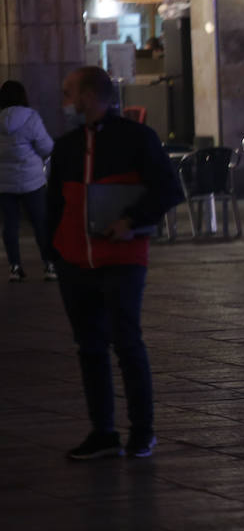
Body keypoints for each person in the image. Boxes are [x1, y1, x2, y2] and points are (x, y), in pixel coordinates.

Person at [48, 66, 183, 460]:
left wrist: (133, 220)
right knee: (89, 346)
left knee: (126, 343)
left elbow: (167, 189)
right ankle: (103, 431)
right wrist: (55, 248)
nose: (64, 100)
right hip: (75, 261)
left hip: (122, 258)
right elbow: (56, 201)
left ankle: (142, 431)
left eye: (68, 92)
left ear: (88, 97)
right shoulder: (68, 145)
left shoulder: (135, 138)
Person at [0, 80, 56, 281]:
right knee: (40, 223)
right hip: (32, 181)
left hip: (4, 183)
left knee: (10, 225)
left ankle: (15, 267)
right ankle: (49, 264)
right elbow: (46, 147)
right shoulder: (31, 118)